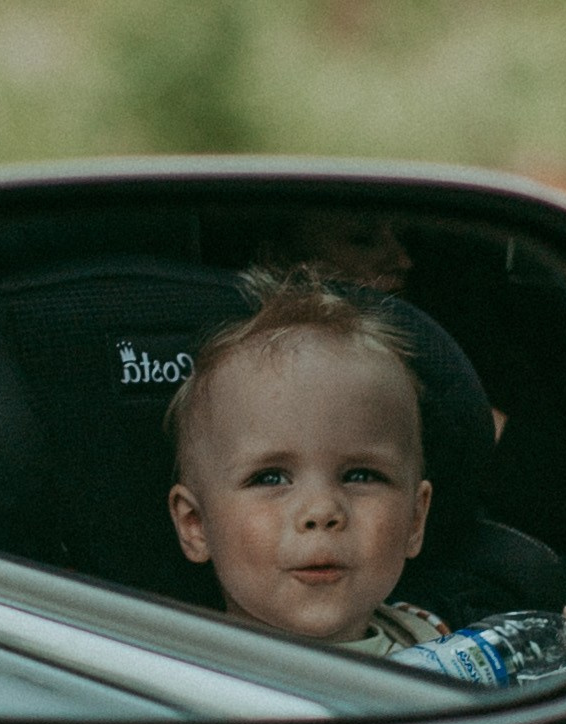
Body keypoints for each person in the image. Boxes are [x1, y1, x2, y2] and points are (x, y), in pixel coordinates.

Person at [165, 276, 448, 653]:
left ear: (415, 518)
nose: (322, 511)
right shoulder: (181, 670)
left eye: (360, 475)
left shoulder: (441, 646)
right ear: (196, 525)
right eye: (270, 478)